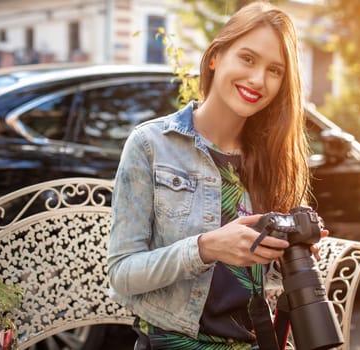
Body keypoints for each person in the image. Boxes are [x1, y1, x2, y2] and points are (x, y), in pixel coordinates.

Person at [108, 2, 328, 349]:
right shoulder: (151, 145)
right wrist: (206, 248)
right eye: (247, 58)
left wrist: (291, 256)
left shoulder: (273, 158)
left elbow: (260, 281)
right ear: (215, 57)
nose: (258, 80)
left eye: (275, 70)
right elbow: (122, 274)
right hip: (172, 341)